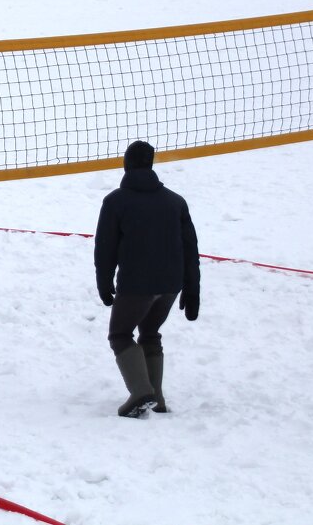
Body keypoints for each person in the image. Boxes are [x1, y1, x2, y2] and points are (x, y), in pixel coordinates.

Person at [94, 140, 200, 418]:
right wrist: (192, 289)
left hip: (137, 285)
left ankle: (142, 392)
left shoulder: (115, 201)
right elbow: (190, 249)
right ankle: (157, 399)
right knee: (150, 333)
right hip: (170, 285)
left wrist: (104, 283)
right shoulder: (175, 201)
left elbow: (105, 248)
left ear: (126, 164)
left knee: (120, 334)